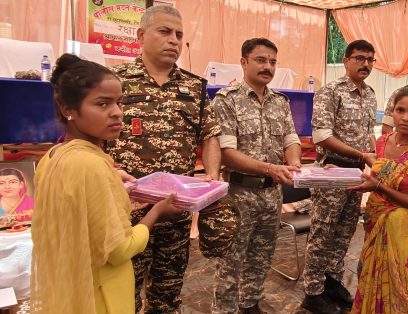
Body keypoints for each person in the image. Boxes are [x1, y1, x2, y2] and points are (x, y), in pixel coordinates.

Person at [30, 54, 182, 313]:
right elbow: (120, 250)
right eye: (102, 104)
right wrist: (156, 211)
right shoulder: (92, 165)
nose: (117, 113)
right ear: (68, 109)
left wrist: (114, 186)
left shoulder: (53, 156)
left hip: (72, 286)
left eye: (119, 103)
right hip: (102, 296)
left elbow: (79, 217)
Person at [105, 5, 221, 313]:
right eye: (165, 32)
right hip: (126, 211)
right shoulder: (114, 82)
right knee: (123, 294)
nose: (174, 40)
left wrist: (210, 176)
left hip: (174, 209)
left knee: (167, 294)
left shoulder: (194, 87)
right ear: (141, 36)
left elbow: (210, 135)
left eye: (179, 35)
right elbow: (93, 139)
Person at [211, 37, 301, 313]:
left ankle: (250, 304)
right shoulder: (226, 100)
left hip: (272, 194)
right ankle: (224, 309)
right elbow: (226, 151)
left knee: (262, 254)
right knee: (231, 260)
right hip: (239, 194)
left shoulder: (280, 102)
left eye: (273, 62)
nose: (268, 67)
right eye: (261, 60)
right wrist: (270, 168)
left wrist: (295, 163)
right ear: (243, 62)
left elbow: (291, 138)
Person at [301, 39, 378, 313]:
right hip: (331, 172)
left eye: (370, 59)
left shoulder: (370, 94)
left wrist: (372, 153)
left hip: (355, 174)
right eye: (359, 58)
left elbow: (368, 134)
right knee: (323, 233)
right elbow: (321, 137)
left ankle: (331, 281)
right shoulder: (330, 91)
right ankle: (312, 291)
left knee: (344, 232)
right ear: (346, 61)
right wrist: (362, 153)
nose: (365, 64)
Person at [350, 85, 408, 313]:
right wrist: (336, 173)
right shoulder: (382, 141)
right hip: (374, 220)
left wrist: (379, 187)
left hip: (402, 229)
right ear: (392, 112)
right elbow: (381, 170)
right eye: (400, 110)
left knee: (399, 287)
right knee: (368, 275)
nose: (406, 118)